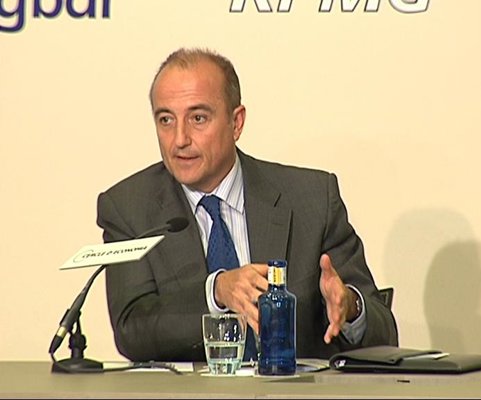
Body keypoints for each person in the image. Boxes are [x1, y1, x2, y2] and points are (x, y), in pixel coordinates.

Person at [97, 47, 398, 362]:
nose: (180, 139)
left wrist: (351, 307)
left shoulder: (311, 199)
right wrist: (216, 292)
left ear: (236, 122)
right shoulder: (129, 208)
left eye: (198, 118)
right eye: (166, 120)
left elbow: (385, 334)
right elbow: (132, 330)